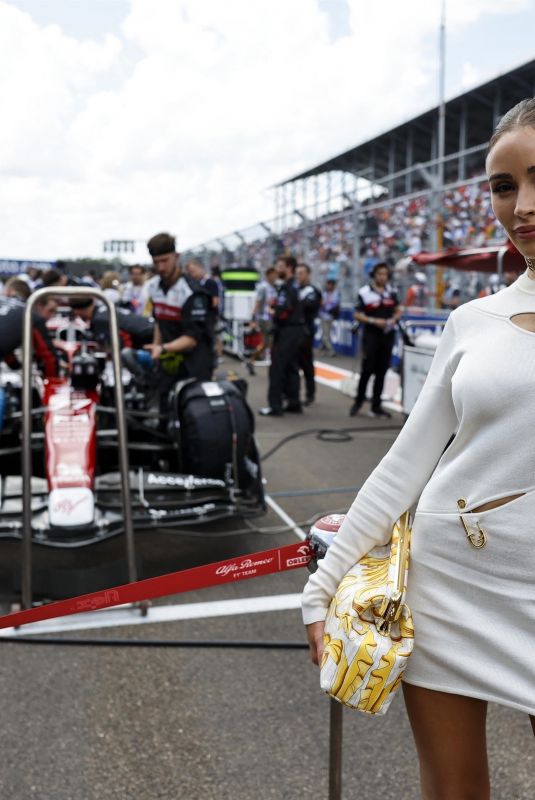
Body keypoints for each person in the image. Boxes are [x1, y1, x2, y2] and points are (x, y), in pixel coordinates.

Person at [303, 97, 535, 799]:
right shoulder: (471, 321)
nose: (521, 206)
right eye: (503, 185)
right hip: (447, 592)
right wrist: (322, 588)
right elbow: (404, 464)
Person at [143, 233, 214, 420]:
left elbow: (191, 340)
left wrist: (162, 348)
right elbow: (159, 321)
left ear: (176, 257)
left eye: (165, 261)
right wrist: (156, 350)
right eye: (156, 262)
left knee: (193, 418)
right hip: (167, 364)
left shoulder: (193, 292)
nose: (160, 267)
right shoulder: (153, 288)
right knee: (165, 414)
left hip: (194, 365)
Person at [349, 262, 402, 418]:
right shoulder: (364, 292)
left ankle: (376, 405)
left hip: (388, 334)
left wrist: (393, 319)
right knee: (367, 369)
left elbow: (398, 309)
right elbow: (357, 314)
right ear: (374, 275)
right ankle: (358, 401)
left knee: (382, 370)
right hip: (371, 334)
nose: (382, 277)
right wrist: (373, 321)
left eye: (385, 274)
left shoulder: (392, 291)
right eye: (379, 274)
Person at [259, 255, 305, 416]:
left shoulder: (288, 287)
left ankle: (275, 406)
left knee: (277, 368)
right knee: (292, 367)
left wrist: (273, 311)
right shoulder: (292, 286)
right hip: (295, 331)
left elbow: (283, 312)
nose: (277, 269)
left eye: (280, 266)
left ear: (289, 268)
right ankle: (294, 402)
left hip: (287, 331)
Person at [296, 262, 322, 406]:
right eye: (297, 273)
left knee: (306, 364)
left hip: (306, 331)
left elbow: (308, 306)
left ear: (308, 274)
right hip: (294, 332)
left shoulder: (312, 291)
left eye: (301, 273)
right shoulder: (295, 289)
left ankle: (310, 394)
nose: (298, 276)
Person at [247, 266, 278, 374]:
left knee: (267, 343)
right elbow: (258, 302)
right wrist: (253, 318)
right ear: (268, 275)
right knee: (270, 341)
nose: (275, 276)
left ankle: (251, 361)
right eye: (273, 274)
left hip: (272, 317)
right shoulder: (263, 287)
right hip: (264, 318)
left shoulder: (274, 287)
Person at [318, 279, 340, 356]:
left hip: (330, 316)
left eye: (331, 284)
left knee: (326, 334)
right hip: (323, 316)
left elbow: (333, 305)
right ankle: (324, 349)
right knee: (325, 334)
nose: (329, 286)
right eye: (328, 284)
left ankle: (330, 350)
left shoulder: (335, 294)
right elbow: (320, 303)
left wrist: (325, 304)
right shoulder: (324, 293)